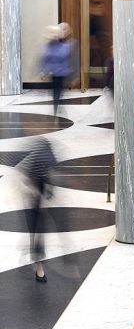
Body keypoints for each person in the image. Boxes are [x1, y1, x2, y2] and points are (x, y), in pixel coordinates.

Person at [19, 136, 56, 282]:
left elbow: (50, 173)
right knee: (36, 229)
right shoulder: (37, 156)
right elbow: (24, 175)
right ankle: (38, 266)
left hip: (38, 197)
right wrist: (32, 190)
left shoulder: (45, 153)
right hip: (32, 198)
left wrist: (48, 192)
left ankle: (35, 259)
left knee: (37, 230)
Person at [39, 22, 78, 118]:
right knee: (55, 92)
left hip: (62, 73)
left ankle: (57, 109)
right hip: (54, 73)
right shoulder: (50, 46)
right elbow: (45, 58)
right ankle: (56, 109)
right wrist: (43, 70)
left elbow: (71, 60)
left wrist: (74, 75)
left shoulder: (67, 45)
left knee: (58, 92)